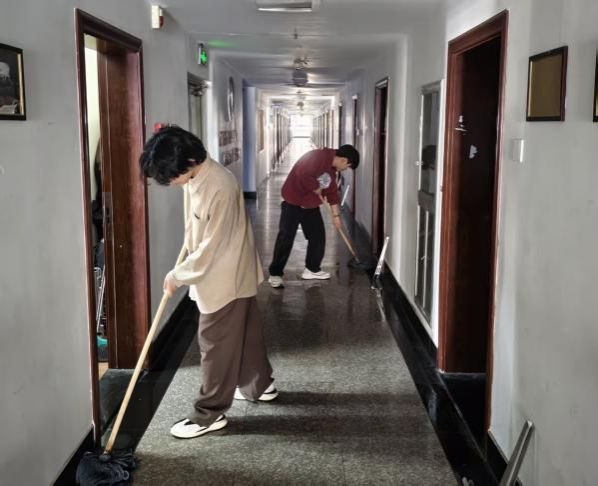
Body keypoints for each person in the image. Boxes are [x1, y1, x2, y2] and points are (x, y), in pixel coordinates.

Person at [139, 126, 276, 440]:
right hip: (235, 269)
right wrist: (188, 246)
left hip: (225, 277)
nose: (169, 182)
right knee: (247, 333)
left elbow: (212, 249)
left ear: (189, 161)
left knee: (214, 345)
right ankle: (260, 385)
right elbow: (198, 227)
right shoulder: (195, 177)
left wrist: (177, 275)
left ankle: (208, 413)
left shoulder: (219, 185)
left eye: (170, 176)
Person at [268, 144, 360, 288]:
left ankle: (312, 269)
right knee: (286, 238)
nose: (346, 169)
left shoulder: (332, 171)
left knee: (318, 237)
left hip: (310, 205)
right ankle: (275, 274)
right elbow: (302, 173)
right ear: (343, 160)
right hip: (293, 202)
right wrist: (315, 187)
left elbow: (332, 194)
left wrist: (336, 216)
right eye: (347, 166)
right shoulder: (317, 156)